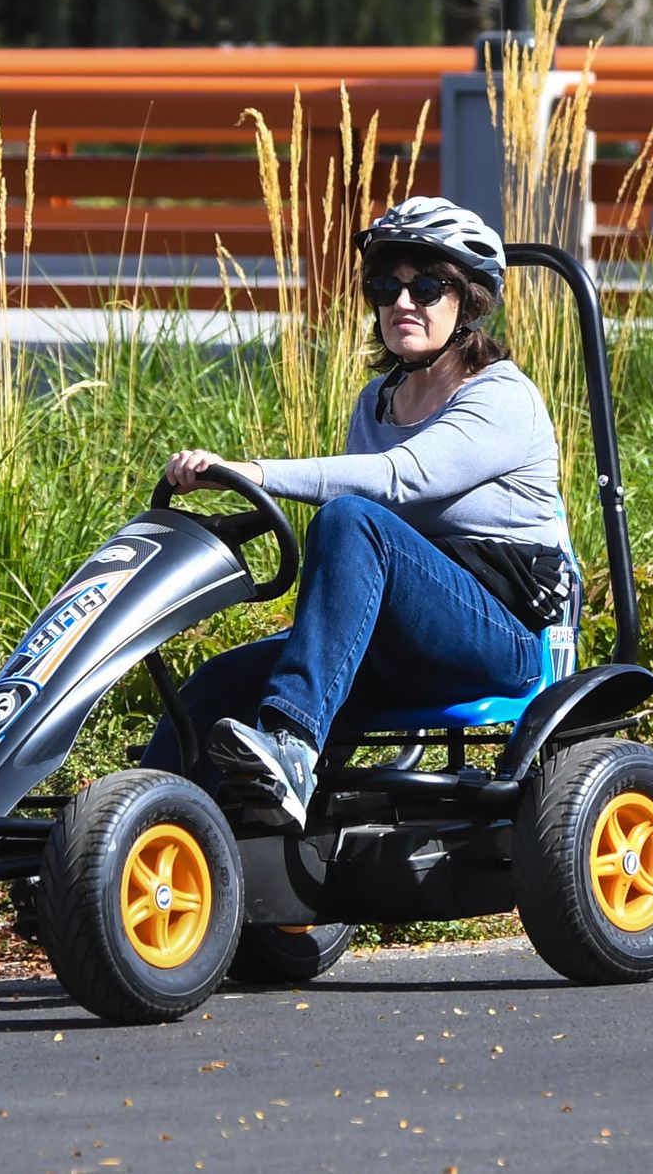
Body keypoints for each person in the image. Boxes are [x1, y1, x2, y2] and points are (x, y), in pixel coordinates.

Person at [161, 197, 573, 828]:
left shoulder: (503, 398)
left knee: (351, 518)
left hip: (505, 639)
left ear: (469, 301)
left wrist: (256, 471)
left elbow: (396, 481)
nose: (402, 303)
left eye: (426, 287)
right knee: (218, 683)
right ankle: (138, 829)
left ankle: (293, 749)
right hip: (401, 640)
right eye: (387, 286)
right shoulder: (376, 402)